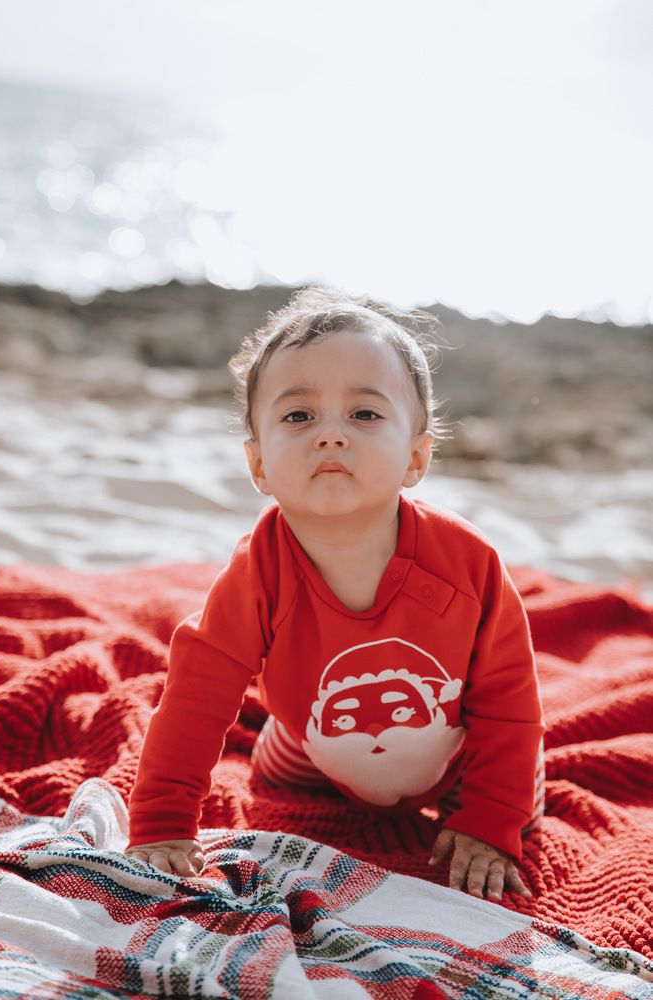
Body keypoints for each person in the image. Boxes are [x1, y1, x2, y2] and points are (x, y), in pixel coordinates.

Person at [125, 285, 545, 904]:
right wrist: (162, 823)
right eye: (298, 416)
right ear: (259, 465)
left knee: (519, 802)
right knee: (272, 769)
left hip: (457, 751)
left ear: (416, 457)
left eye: (364, 415)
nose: (330, 435)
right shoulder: (257, 571)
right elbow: (196, 698)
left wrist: (489, 823)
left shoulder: (467, 563)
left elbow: (510, 704)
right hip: (314, 744)